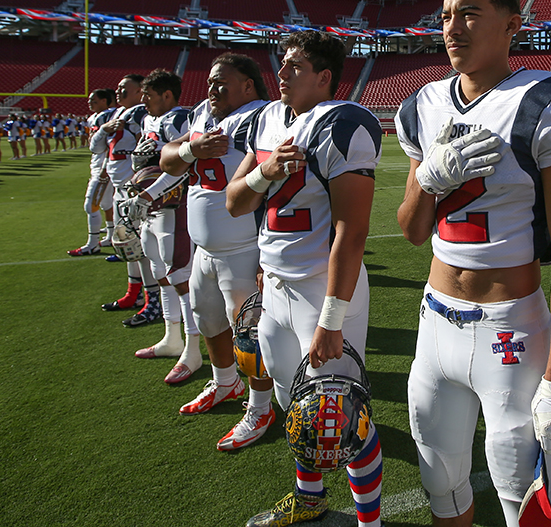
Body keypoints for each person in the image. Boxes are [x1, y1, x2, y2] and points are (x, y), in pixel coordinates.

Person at [395, 0, 551, 527]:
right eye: (444, 16)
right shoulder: (424, 105)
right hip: (435, 321)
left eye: (468, 13)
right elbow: (412, 229)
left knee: (520, 496)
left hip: (509, 327)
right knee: (441, 483)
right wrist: (428, 181)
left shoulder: (543, 103)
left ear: (511, 25)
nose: (452, 28)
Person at [226, 33, 384, 527]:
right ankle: (309, 497)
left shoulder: (344, 124)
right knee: (295, 405)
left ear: (324, 78)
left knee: (339, 413)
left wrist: (332, 320)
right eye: (283, 63)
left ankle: (370, 522)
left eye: (295, 66)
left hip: (323, 288)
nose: (282, 72)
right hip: (276, 285)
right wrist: (263, 173)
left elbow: (351, 231)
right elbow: (235, 201)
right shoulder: (267, 118)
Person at [158, 55, 273, 407]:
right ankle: (225, 383)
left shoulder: (261, 117)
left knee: (250, 332)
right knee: (206, 318)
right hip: (205, 249)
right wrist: (193, 149)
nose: (211, 88)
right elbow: (166, 158)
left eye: (221, 81)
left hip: (244, 247)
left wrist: (266, 257)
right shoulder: (201, 114)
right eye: (209, 81)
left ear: (247, 85)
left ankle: (260, 405)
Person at [124, 69, 202, 381]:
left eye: (148, 95)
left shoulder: (179, 118)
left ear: (167, 95)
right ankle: (172, 337)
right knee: (160, 274)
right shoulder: (148, 120)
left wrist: (152, 192)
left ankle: (193, 347)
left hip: (172, 206)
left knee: (180, 275)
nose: (143, 101)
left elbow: (186, 162)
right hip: (150, 207)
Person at [93, 75, 155, 315]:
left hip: (133, 189)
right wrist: (103, 131)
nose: (117, 91)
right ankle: (134, 292)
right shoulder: (116, 114)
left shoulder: (141, 114)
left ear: (140, 91)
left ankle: (152, 298)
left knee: (141, 245)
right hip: (119, 187)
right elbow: (96, 147)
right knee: (127, 244)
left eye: (123, 87)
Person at [69, 90, 116, 257]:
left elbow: (111, 144)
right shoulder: (95, 117)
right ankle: (111, 236)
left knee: (91, 205)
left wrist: (105, 167)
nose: (90, 102)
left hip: (104, 166)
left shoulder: (109, 116)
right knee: (106, 204)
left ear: (104, 101)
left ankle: (92, 244)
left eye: (94, 100)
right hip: (99, 164)